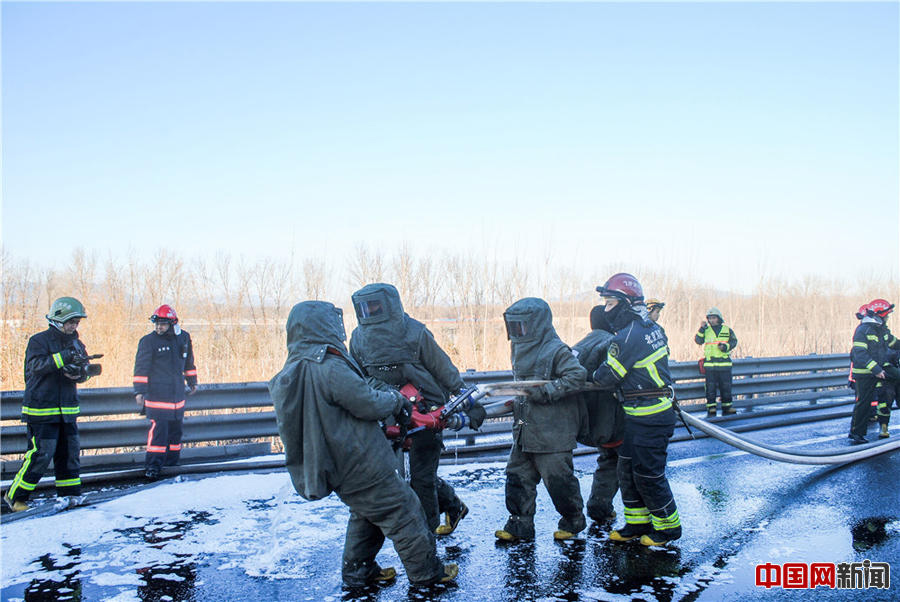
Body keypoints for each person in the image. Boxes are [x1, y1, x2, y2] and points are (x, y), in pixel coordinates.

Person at [269, 300, 456, 587]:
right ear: (324, 326)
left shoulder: (293, 371)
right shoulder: (330, 367)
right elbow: (368, 403)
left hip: (337, 464)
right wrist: (395, 399)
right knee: (404, 510)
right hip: (360, 460)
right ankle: (428, 575)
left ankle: (359, 573)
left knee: (366, 514)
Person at [349, 283, 486, 537]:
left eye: (375, 305)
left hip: (428, 411)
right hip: (387, 413)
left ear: (388, 303)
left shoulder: (415, 332)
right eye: (365, 307)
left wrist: (464, 395)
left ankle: (428, 538)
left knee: (422, 478)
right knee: (404, 479)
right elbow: (358, 376)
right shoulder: (358, 338)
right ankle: (454, 506)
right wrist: (387, 394)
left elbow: (442, 367)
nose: (371, 311)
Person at [591, 273, 682, 546]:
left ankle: (668, 527)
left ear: (625, 303)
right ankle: (637, 522)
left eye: (609, 303)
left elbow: (606, 376)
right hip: (641, 415)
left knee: (647, 474)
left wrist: (588, 371)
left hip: (651, 417)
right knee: (626, 467)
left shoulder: (627, 337)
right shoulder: (648, 327)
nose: (606, 309)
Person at [494, 297, 587, 542]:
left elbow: (577, 376)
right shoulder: (518, 348)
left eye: (522, 325)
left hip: (553, 432)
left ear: (537, 324)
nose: (517, 331)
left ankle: (573, 520)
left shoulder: (556, 349)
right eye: (513, 326)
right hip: (525, 427)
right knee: (517, 477)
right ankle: (519, 525)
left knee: (559, 482)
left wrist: (546, 391)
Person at [3, 297, 98, 512]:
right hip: (41, 410)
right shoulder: (39, 341)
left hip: (68, 411)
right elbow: (36, 367)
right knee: (40, 455)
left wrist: (81, 373)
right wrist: (63, 358)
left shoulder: (77, 343)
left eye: (77, 322)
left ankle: (70, 496)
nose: (74, 326)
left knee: (69, 455)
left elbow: (83, 374)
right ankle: (15, 497)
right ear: (58, 319)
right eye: (71, 322)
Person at [133, 305, 198, 479]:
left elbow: (189, 363)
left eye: (162, 324)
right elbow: (141, 367)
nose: (158, 327)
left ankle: (173, 463)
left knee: (176, 432)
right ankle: (153, 466)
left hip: (177, 397)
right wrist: (139, 392)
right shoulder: (148, 341)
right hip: (157, 397)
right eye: (157, 324)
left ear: (172, 323)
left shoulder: (183, 338)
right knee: (159, 434)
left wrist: (192, 382)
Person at [572, 307, 623, 526]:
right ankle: (602, 508)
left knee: (607, 460)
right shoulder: (614, 344)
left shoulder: (577, 347)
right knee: (624, 463)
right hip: (614, 421)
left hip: (589, 422)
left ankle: (599, 507)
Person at [849, 299, 900, 443]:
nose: (887, 318)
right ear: (878, 315)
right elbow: (860, 353)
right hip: (865, 373)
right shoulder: (862, 330)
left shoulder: (881, 330)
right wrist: (876, 369)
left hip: (881, 367)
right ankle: (856, 434)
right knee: (863, 403)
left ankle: (883, 423)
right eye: (886, 316)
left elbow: (893, 343)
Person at [694, 307, 738, 417]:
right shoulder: (706, 330)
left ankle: (727, 407)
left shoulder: (727, 330)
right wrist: (701, 329)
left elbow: (734, 341)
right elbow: (698, 341)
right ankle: (711, 407)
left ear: (719, 318)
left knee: (726, 387)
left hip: (724, 365)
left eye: (714, 318)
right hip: (710, 365)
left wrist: (726, 346)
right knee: (710, 388)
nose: (712, 320)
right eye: (710, 318)